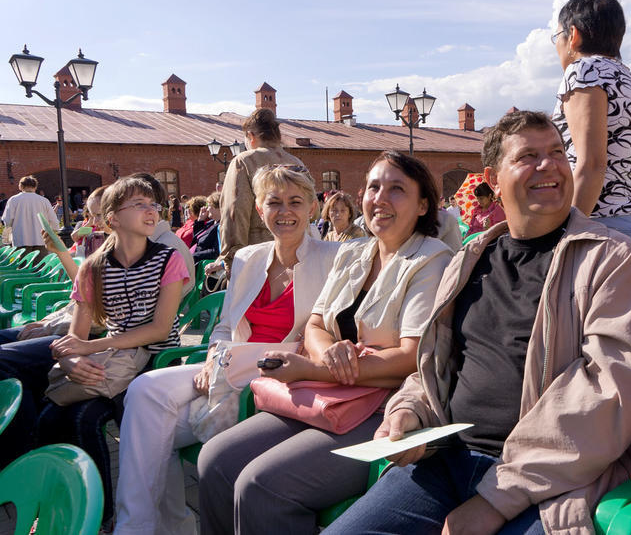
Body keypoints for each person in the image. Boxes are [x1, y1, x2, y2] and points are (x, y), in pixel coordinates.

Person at [325, 111, 631, 535]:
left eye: (557, 152)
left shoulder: (611, 259)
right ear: (493, 178)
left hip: (550, 482)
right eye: (529, 156)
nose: (549, 166)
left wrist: (493, 501)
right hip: (446, 460)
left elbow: (610, 393)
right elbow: (436, 365)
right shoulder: (471, 257)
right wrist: (410, 412)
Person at [197, 151, 452, 535]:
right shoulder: (353, 252)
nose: (379, 198)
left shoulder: (430, 258)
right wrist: (329, 352)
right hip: (327, 395)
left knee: (262, 485)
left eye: (396, 189)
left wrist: (315, 366)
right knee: (214, 460)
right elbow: (316, 324)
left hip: (383, 408)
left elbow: (410, 356)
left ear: (422, 205)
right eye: (373, 187)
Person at [114, 165, 340, 535]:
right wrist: (210, 358)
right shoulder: (250, 257)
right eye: (274, 202)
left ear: (313, 207)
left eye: (295, 202)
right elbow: (224, 325)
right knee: (144, 395)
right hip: (230, 364)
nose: (285, 211)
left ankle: (148, 527)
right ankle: (143, 527)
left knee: (155, 430)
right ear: (260, 210)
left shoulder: (334, 258)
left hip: (281, 372)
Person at [33, 176, 190, 530]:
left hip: (156, 364)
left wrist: (91, 347)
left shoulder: (169, 259)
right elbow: (77, 332)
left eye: (153, 204)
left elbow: (160, 330)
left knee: (95, 419)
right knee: (55, 418)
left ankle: (109, 514)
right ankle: (75, 509)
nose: (151, 211)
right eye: (139, 204)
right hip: (114, 363)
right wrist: (71, 359)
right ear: (112, 219)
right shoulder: (93, 267)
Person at [551, 0, 631, 259]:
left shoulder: (583, 72)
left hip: (598, 228)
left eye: (557, 37)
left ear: (573, 36)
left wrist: (564, 237)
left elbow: (591, 164)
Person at [212, 108, 306, 277]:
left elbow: (234, 213)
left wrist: (230, 259)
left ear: (251, 136)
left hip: (255, 260)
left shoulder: (244, 161)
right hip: (298, 258)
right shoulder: (297, 163)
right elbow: (313, 213)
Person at [2, 175, 59, 261]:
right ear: (35, 187)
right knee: (40, 268)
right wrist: (53, 232)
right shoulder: (44, 200)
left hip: (21, 239)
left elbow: (7, 220)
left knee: (23, 267)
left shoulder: (13, 200)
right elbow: (53, 221)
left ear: (21, 186)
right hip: (40, 239)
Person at [192, 192, 222, 263]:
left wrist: (193, 256)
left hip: (201, 262)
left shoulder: (221, 226)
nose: (207, 209)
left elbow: (215, 251)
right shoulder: (210, 223)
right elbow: (197, 239)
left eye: (209, 206)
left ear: (217, 208)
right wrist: (200, 221)